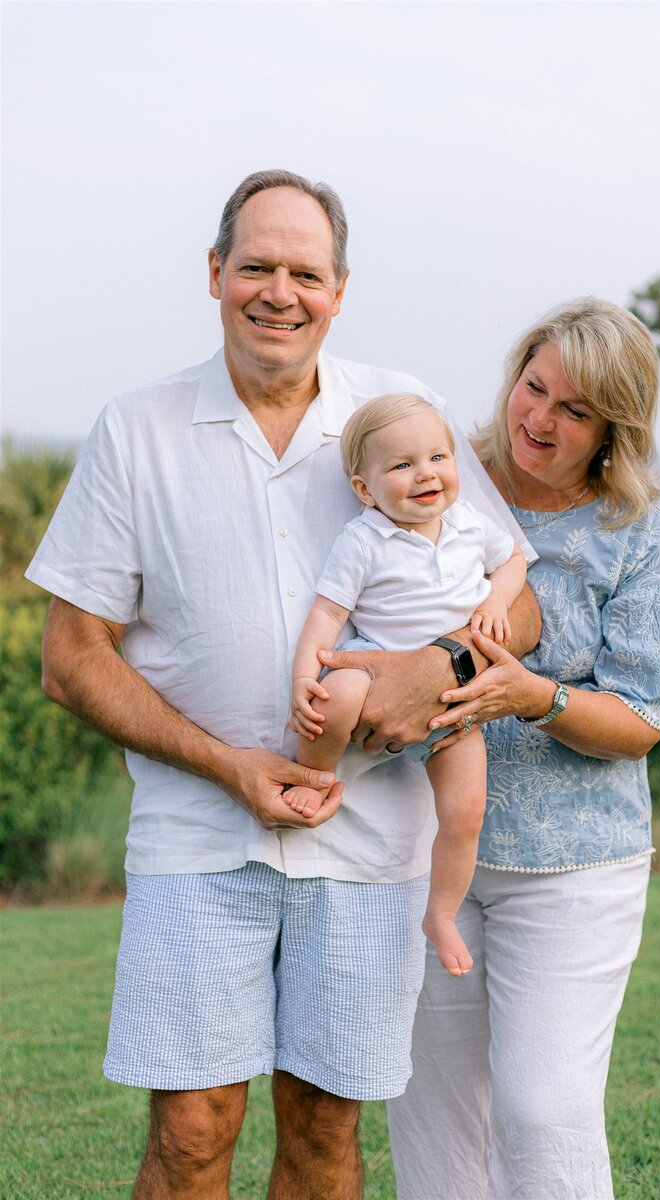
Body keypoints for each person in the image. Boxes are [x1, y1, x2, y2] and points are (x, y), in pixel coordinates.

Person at [25, 168, 538, 1200]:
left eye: (305, 271)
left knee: (322, 1135)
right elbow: (70, 655)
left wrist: (429, 671)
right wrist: (227, 766)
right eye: (255, 265)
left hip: (366, 842)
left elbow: (513, 602)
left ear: (338, 289)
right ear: (214, 273)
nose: (279, 291)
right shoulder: (139, 429)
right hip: (195, 837)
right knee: (191, 1132)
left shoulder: (402, 416)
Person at [386, 298, 660, 1200]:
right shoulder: (444, 474)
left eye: (574, 411)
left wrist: (539, 699)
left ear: (614, 426)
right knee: (434, 1123)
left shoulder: (643, 530)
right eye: (534, 389)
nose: (540, 420)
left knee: (544, 1112)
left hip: (575, 866)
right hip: (424, 859)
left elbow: (646, 717)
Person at [289, 393, 528, 976]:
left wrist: (498, 597)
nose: (426, 474)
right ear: (366, 489)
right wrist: (303, 676)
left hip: (453, 699)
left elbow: (515, 560)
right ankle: (315, 775)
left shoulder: (472, 525)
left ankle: (441, 914)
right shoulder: (364, 540)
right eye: (401, 466)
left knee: (466, 809)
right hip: (376, 667)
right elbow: (325, 614)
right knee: (336, 693)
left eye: (438, 457)